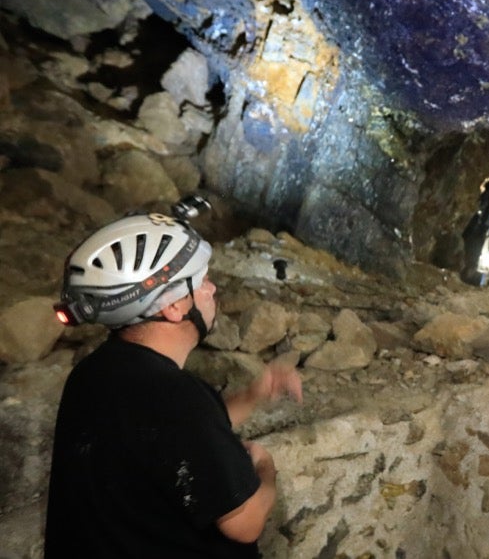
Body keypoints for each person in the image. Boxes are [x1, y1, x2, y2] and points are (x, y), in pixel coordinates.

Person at [46, 205, 303, 558]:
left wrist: (255, 394)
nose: (212, 289)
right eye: (201, 281)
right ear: (173, 306)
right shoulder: (176, 396)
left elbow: (173, 438)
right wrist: (265, 470)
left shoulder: (94, 373)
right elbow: (246, 524)